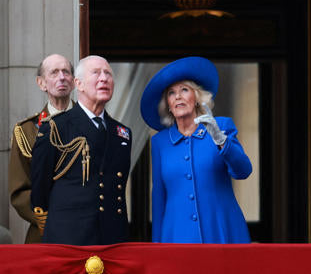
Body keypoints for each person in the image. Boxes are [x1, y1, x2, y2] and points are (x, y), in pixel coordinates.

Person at [140, 57, 252, 244]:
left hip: (221, 230)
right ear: (167, 103)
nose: (178, 96)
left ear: (197, 98)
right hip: (177, 236)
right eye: (171, 93)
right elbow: (159, 195)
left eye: (185, 90)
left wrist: (221, 140)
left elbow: (243, 171)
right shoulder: (160, 142)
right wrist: (157, 246)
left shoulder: (221, 126)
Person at [30, 55, 131, 245]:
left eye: (108, 73)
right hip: (69, 239)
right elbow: (39, 193)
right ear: (79, 84)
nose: (104, 78)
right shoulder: (55, 128)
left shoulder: (122, 133)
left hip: (113, 240)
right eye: (96, 73)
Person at [9, 54, 75, 243]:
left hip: (86, 233)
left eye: (66, 72)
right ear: (41, 83)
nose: (62, 77)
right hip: (45, 232)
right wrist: (48, 216)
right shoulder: (26, 130)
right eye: (54, 72)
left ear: (73, 81)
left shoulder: (90, 124)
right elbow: (19, 190)